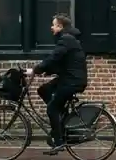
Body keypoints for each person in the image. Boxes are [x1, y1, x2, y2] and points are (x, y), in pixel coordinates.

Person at [26, 14, 88, 151]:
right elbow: (63, 61)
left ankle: (59, 141)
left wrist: (36, 69)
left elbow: (54, 57)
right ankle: (60, 118)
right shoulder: (68, 39)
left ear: (60, 26)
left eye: (53, 25)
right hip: (70, 78)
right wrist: (47, 71)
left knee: (51, 108)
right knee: (43, 90)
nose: (51, 27)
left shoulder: (66, 39)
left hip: (72, 81)